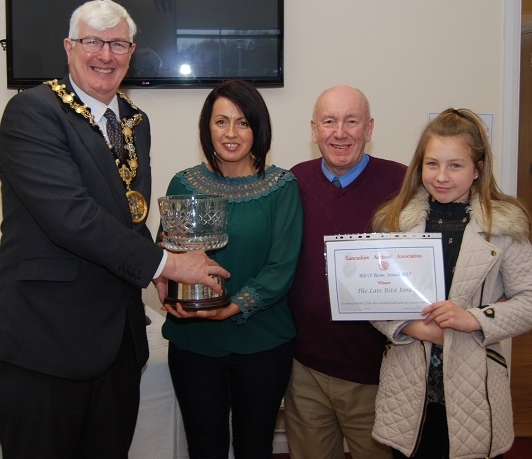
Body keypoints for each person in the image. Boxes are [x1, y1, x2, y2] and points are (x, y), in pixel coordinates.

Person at [0, 0, 228, 459]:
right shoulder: (32, 111)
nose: (106, 55)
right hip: (46, 343)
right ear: (69, 47)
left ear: (132, 51)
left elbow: (128, 217)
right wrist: (168, 263)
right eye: (93, 42)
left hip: (118, 344)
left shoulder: (133, 121)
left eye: (118, 44)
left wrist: (156, 274)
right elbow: (72, 218)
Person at [370, 108, 532, 459]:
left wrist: (473, 319)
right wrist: (410, 327)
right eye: (432, 164)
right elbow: (373, 297)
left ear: (478, 169)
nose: (442, 176)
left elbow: (529, 301)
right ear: (419, 166)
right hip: (409, 388)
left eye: (455, 165)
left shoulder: (506, 227)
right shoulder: (394, 221)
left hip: (475, 390)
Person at [160, 79, 303, 459]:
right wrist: (162, 279)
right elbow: (167, 254)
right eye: (221, 121)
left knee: (254, 447)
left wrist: (233, 306)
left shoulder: (281, 186)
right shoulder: (183, 183)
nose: (231, 133)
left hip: (262, 343)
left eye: (243, 122)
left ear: (259, 128)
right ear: (207, 127)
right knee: (204, 448)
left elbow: (282, 267)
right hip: (194, 343)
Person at [284, 85, 407, 459]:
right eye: (329, 121)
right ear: (314, 129)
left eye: (351, 121)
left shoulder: (402, 185)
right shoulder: (294, 181)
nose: (340, 133)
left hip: (377, 374)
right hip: (307, 371)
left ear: (369, 129)